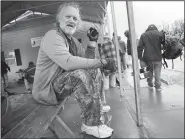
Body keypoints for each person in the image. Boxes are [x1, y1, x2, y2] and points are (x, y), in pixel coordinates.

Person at [32, 2, 115, 138]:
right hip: (46, 91)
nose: (71, 20)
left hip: (59, 86)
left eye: (75, 18)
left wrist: (92, 43)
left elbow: (88, 63)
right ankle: (91, 124)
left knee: (94, 71)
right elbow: (68, 63)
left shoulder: (73, 42)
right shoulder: (52, 36)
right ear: (59, 20)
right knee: (79, 75)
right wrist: (103, 62)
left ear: (78, 23)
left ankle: (97, 105)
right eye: (68, 17)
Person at [138, 24, 165, 92]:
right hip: (158, 57)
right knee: (157, 72)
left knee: (148, 71)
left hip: (147, 58)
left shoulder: (143, 35)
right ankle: (158, 87)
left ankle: (150, 84)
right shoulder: (160, 34)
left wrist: (140, 57)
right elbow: (164, 44)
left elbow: (139, 47)